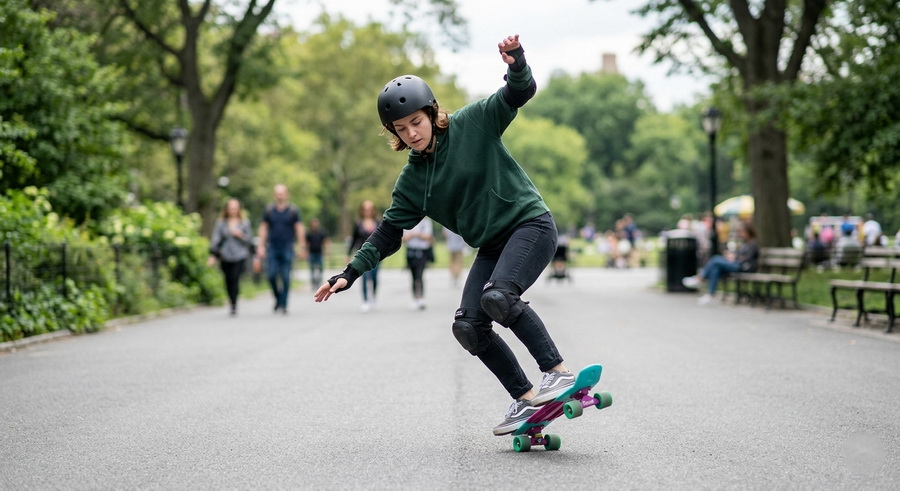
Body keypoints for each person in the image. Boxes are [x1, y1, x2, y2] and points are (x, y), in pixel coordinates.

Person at [315, 34, 575, 436]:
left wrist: (516, 62)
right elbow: (387, 233)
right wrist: (348, 272)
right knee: (469, 325)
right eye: (401, 130)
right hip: (491, 244)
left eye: (416, 122)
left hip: (530, 225)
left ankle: (557, 373)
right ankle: (525, 402)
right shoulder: (413, 181)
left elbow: (520, 92)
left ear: (432, 112)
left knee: (499, 298)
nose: (412, 134)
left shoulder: (473, 122)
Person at [256, 184, 306, 314]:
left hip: (287, 247)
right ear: (274, 195)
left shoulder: (293, 211)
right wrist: (261, 246)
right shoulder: (269, 210)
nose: (280, 195)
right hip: (272, 248)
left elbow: (299, 229)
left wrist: (302, 247)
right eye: (277, 193)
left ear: (286, 194)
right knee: (271, 275)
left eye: (282, 193)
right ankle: (278, 298)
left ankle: (284, 304)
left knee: (285, 277)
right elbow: (263, 228)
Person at [681, 222, 759, 305]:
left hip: (744, 267)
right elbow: (740, 254)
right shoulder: (745, 243)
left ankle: (699, 278)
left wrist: (734, 257)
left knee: (715, 260)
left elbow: (747, 258)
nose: (741, 234)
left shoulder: (753, 244)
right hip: (737, 264)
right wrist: (732, 255)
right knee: (715, 269)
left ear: (748, 232)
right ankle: (710, 295)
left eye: (742, 232)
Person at [208, 198, 254, 316]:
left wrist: (241, 235)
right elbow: (215, 239)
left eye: (235, 207)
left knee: (235, 278)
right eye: (231, 207)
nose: (233, 210)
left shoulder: (244, 222)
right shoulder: (221, 223)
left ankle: (234, 303)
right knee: (228, 279)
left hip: (240, 255)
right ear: (227, 209)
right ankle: (231, 300)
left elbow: (250, 240)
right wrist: (213, 255)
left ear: (239, 209)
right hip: (225, 255)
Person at [348, 200, 381, 313]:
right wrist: (348, 254)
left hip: (376, 255)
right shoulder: (358, 224)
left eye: (370, 209)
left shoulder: (378, 222)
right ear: (362, 211)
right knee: (365, 278)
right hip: (362, 255)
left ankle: (373, 297)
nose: (368, 211)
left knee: (375, 277)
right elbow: (353, 240)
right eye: (365, 209)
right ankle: (365, 300)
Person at [403, 217, 434, 310]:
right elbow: (405, 238)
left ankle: (421, 297)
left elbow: (428, 237)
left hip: (422, 251)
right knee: (412, 275)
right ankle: (415, 297)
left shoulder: (426, 221)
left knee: (419, 275)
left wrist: (414, 234)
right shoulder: (408, 220)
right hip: (411, 251)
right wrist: (418, 235)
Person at [305, 218, 330, 288]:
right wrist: (306, 252)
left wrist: (327, 250)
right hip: (311, 253)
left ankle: (319, 281)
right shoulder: (309, 233)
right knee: (312, 269)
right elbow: (307, 243)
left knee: (321, 268)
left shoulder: (321, 232)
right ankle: (313, 283)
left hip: (319, 253)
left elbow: (325, 242)